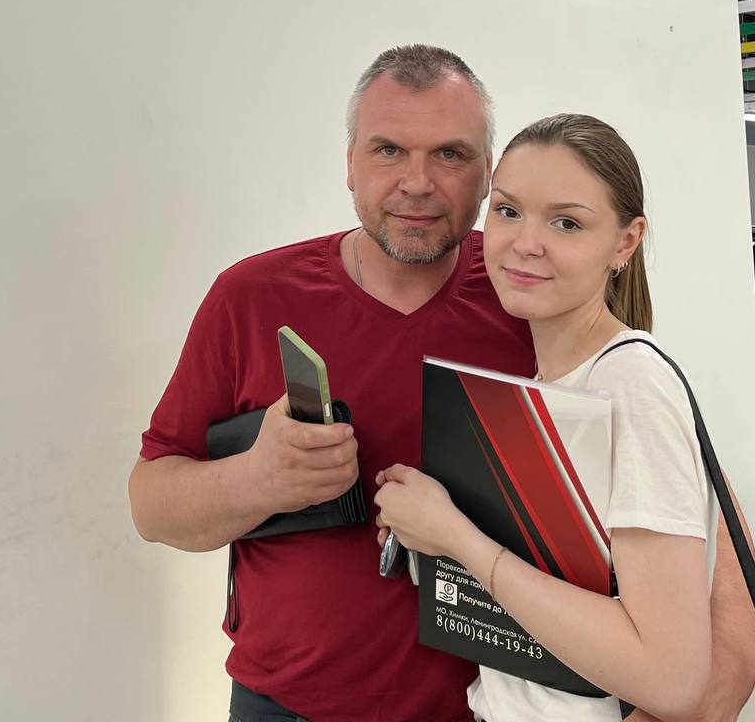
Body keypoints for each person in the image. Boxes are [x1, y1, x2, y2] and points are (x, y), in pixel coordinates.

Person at [128, 46, 755, 722]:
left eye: (450, 155)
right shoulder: (250, 297)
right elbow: (151, 505)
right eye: (388, 150)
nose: (417, 182)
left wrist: (693, 706)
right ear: (349, 162)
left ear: (487, 174)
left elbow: (709, 537)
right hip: (281, 706)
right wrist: (257, 480)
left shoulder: (536, 299)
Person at [373, 113, 739, 721]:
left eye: (566, 222)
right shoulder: (550, 384)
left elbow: (672, 678)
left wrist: (458, 539)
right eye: (508, 210)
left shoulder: (631, 383)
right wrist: (428, 537)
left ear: (625, 242)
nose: (525, 242)